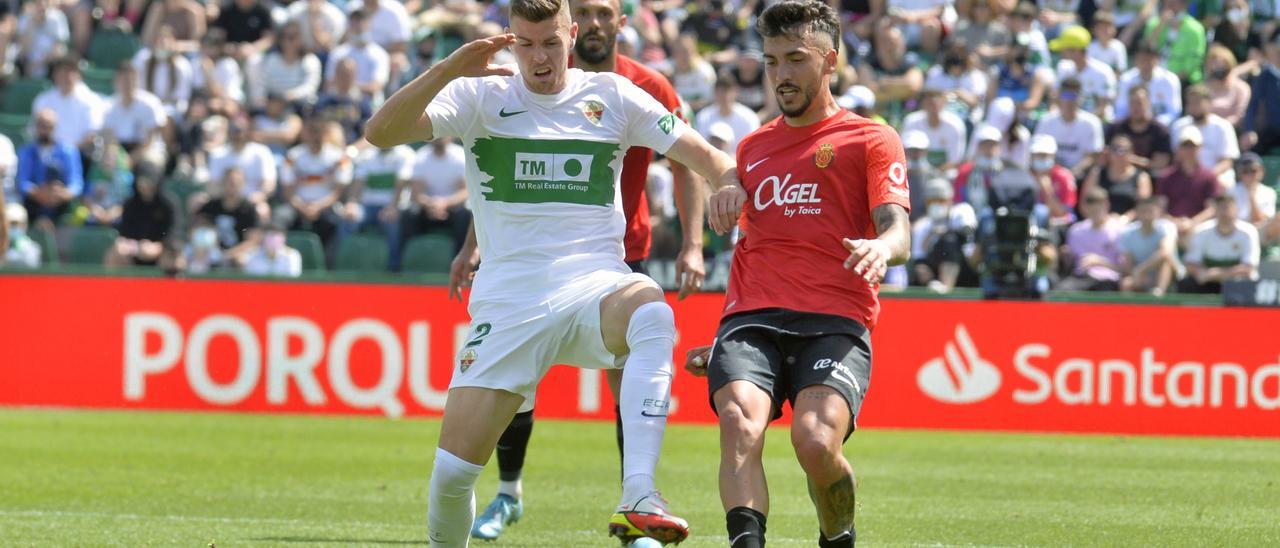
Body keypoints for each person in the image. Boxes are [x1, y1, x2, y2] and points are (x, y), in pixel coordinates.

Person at [363, 0, 740, 542]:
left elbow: (708, 157)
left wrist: (729, 183)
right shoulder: (480, 94)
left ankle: (638, 492)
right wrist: (447, 69)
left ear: (572, 33)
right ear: (510, 41)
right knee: (451, 478)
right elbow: (380, 132)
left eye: (550, 43)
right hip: (509, 302)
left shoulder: (611, 94)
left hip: (595, 286)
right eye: (525, 44)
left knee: (652, 312)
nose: (539, 58)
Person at [471, 0, 710, 539]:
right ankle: (508, 494)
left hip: (622, 258)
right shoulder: (522, 87)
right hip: (536, 262)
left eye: (607, 12)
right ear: (569, 24)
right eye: (588, 12)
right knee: (518, 384)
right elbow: (501, 171)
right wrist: (473, 244)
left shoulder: (644, 85)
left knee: (629, 380)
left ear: (622, 22)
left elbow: (687, 161)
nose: (597, 24)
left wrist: (693, 244)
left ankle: (637, 501)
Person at [683, 2, 911, 546]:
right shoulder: (754, 147)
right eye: (771, 61)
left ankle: (839, 535)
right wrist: (729, 187)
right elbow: (722, 178)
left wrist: (883, 248)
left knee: (814, 442)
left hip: (835, 318)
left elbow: (898, 228)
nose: (781, 74)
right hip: (751, 317)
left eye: (794, 59)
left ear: (829, 61)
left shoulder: (871, 139)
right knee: (740, 424)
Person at [17, 109, 84, 229]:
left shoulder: (69, 151)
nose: (45, 130)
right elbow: (22, 182)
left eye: (49, 126)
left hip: (61, 204)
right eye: (42, 125)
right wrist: (39, 192)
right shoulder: (26, 151)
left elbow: (76, 183)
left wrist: (61, 194)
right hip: (35, 203)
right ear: (36, 127)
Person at [1180, 194, 1261, 293]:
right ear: (1215, 211)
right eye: (1221, 209)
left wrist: (1217, 273)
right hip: (1208, 282)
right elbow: (1191, 263)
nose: (1225, 213)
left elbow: (1248, 267)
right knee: (1186, 283)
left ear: (1236, 210)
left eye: (1228, 209)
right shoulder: (1202, 231)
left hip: (1238, 282)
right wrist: (1201, 273)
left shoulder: (1248, 232)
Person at [403, 138, 470, 255]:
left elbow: (465, 191)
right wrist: (431, 204)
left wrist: (445, 203)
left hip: (454, 209)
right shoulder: (420, 157)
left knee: (466, 217)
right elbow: (416, 194)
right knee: (408, 216)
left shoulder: (460, 155)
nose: (440, 137)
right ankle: (404, 263)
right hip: (427, 209)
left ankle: (460, 260)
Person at [104, 162, 176, 268]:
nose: (145, 185)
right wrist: (129, 245)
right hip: (135, 251)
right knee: (115, 254)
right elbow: (124, 232)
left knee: (175, 258)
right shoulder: (130, 204)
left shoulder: (168, 204)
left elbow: (175, 232)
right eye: (141, 180)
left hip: (161, 251)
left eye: (149, 181)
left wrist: (159, 246)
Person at [911, 177, 978, 291]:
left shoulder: (961, 211)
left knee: (949, 240)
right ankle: (939, 288)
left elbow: (968, 233)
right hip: (934, 276)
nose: (936, 204)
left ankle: (946, 286)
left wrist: (945, 231)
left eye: (941, 200)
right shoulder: (922, 225)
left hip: (965, 267)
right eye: (932, 201)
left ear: (949, 200)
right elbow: (919, 261)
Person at [1168, 84, 1240, 187]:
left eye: (1197, 102)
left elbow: (1227, 161)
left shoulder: (1223, 126)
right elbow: (1177, 158)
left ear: (1209, 103)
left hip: (1216, 175)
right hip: (1186, 174)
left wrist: (1205, 177)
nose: (1193, 106)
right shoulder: (1178, 126)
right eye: (1190, 102)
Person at [1033, 78, 1104, 180]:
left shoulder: (1092, 123)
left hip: (1079, 175)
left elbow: (1093, 156)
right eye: (1066, 95)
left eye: (1074, 96)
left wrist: (1071, 173)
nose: (1070, 100)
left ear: (1081, 98)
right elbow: (1037, 151)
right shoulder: (1047, 121)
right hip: (1050, 173)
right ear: (1059, 96)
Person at [1155, 125, 1220, 238]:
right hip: (1170, 227)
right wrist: (1175, 223)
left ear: (1200, 148)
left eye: (1192, 146)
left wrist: (1192, 223)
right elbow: (1160, 208)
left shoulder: (1209, 177)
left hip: (1200, 228)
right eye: (1185, 146)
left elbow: (1212, 209)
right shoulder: (1166, 176)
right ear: (1179, 149)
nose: (1189, 150)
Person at [1059, 186, 1125, 291]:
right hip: (1081, 278)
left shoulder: (1120, 231)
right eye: (1093, 209)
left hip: (1109, 279)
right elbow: (1071, 264)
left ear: (1107, 205)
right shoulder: (1076, 231)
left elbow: (1125, 269)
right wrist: (1065, 256)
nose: (1096, 213)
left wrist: (1100, 262)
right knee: (1062, 291)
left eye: (1099, 208)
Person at [195, 167, 262, 267]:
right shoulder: (210, 206)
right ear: (223, 183)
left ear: (243, 184)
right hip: (212, 250)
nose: (232, 185)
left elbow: (252, 241)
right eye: (229, 181)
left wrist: (229, 254)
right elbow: (198, 230)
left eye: (236, 182)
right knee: (199, 257)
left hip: (239, 253)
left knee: (240, 261)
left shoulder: (249, 209)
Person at [1050, 25, 1117, 120]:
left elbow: (1102, 108)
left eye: (1064, 49)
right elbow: (1055, 98)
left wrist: (1083, 124)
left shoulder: (1103, 72)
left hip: (1098, 122)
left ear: (1075, 51)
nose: (1061, 52)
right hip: (1068, 121)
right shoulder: (1063, 67)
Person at [1118, 195, 1179, 295]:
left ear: (1158, 212)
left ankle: (1158, 296)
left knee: (1165, 262)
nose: (1146, 215)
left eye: (1150, 211)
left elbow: (1165, 252)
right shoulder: (1128, 232)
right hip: (1141, 275)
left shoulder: (1167, 226)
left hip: (1170, 274)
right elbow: (1128, 264)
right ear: (1137, 212)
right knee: (1127, 283)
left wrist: (1141, 269)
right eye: (1143, 211)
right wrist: (1137, 274)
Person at [1082, 135, 1152, 219]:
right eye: (1115, 149)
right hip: (1098, 224)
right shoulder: (1096, 173)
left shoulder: (1142, 177)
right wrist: (1102, 221)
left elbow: (1143, 206)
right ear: (1109, 152)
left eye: (1124, 150)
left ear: (1132, 153)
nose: (1119, 153)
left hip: (1129, 226)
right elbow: (1084, 203)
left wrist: (1124, 219)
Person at [1114, 40, 1181, 127]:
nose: (1146, 64)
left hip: (1160, 128)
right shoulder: (1126, 79)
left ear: (1158, 60)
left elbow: (1174, 111)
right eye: (1142, 60)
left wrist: (1153, 124)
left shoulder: (1170, 80)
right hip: (1132, 126)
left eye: (1149, 60)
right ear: (1136, 60)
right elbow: (1121, 110)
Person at [1104, 86, 1172, 171]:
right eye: (1132, 103)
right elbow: (1106, 156)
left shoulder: (1160, 131)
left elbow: (1160, 163)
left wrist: (1129, 159)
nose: (1135, 107)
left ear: (1148, 103)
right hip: (1119, 177)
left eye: (1139, 103)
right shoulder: (1116, 129)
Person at [695, 73, 761, 155]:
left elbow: (754, 150)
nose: (724, 95)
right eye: (720, 91)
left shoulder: (749, 118)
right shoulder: (703, 117)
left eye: (727, 90)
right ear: (714, 93)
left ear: (735, 91)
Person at [902, 89, 966, 173]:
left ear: (943, 104)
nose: (933, 108)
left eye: (936, 104)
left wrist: (935, 174)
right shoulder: (911, 121)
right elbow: (904, 152)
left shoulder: (955, 125)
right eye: (930, 104)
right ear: (923, 105)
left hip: (945, 174)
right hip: (915, 170)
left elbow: (955, 160)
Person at [1141, 0, 1206, 83]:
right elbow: (1146, 50)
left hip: (1183, 80)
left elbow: (1194, 61)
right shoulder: (1154, 24)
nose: (1170, 6)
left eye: (1174, 3)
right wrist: (1160, 25)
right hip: (1154, 77)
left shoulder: (1195, 29)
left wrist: (1173, 80)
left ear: (1184, 5)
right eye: (1167, 3)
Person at [1027, 134, 1077, 224]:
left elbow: (1062, 212)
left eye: (1045, 155)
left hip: (1058, 223)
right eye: (1038, 155)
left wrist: (1047, 189)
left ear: (1053, 156)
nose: (1042, 158)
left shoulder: (1064, 176)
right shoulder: (1025, 175)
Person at [1202, 44, 1251, 126]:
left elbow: (1240, 115)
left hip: (1231, 130)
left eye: (1222, 65)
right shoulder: (1203, 88)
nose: (1218, 68)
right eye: (1214, 64)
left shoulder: (1241, 88)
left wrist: (1221, 126)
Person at [1231, 153, 1278, 232]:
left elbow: (1261, 221)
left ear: (1261, 172)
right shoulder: (1230, 192)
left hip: (1259, 232)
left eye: (1253, 171)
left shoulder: (1269, 193)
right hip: (1236, 232)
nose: (1249, 175)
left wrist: (1251, 196)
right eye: (1245, 171)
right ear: (1239, 174)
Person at [904, 130, 941, 220]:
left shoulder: (935, 176)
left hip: (927, 223)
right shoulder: (898, 176)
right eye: (911, 150)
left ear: (926, 151)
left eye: (918, 151)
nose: (915, 154)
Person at [4, 202, 41, 268]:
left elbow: (30, 265)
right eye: (7, 224)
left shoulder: (32, 247)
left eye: (14, 223)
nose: (10, 227)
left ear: (24, 225)